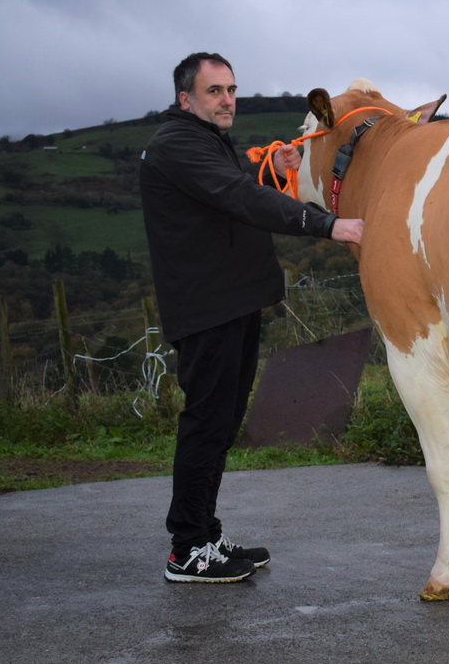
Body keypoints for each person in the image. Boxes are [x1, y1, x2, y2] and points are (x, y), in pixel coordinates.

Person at [140, 52, 362, 583]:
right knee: (207, 423)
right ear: (185, 98)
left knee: (220, 424)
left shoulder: (203, 141)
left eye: (232, 90)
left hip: (231, 304)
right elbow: (238, 196)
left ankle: (205, 535)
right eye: (215, 92)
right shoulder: (178, 146)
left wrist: (275, 168)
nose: (228, 101)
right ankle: (187, 550)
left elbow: (236, 184)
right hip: (207, 309)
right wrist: (327, 225)